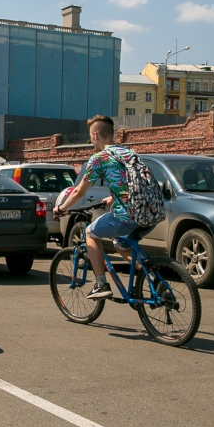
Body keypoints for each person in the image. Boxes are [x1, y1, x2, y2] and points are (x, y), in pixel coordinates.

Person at [54, 115, 140, 300]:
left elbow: (78, 192)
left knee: (91, 233)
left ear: (94, 136)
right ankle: (152, 275)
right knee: (121, 243)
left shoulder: (99, 158)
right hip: (150, 212)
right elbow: (131, 183)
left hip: (126, 214)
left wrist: (61, 208)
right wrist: (113, 196)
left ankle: (101, 284)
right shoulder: (130, 153)